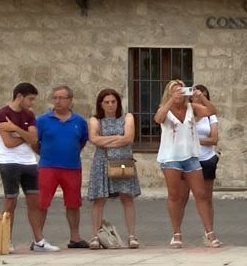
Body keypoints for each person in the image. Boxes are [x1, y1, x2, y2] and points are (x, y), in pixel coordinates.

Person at [154, 80, 218, 249]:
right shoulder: (165, 109)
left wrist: (200, 98)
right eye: (175, 91)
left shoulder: (191, 107)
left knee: (201, 194)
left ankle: (209, 233)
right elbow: (158, 118)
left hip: (191, 156)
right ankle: (176, 233)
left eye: (181, 91)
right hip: (171, 157)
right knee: (174, 196)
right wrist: (170, 100)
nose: (179, 94)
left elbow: (212, 111)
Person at [32, 86, 91, 251]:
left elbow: (82, 142)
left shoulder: (79, 122)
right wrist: (43, 153)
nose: (57, 101)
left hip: (72, 167)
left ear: (70, 100)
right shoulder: (42, 121)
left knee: (73, 203)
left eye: (61, 98)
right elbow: (34, 142)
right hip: (48, 167)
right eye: (55, 97)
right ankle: (38, 238)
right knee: (42, 202)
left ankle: (75, 237)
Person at [85, 88, 141, 249]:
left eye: (113, 102)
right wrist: (118, 138)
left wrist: (107, 140)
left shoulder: (127, 117)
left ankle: (131, 236)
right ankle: (95, 236)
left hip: (123, 160)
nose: (110, 105)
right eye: (106, 102)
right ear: (101, 104)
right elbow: (94, 139)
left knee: (126, 197)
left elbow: (129, 138)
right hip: (102, 161)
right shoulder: (95, 120)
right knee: (99, 198)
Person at [0, 82, 39, 252]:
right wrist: (25, 135)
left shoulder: (29, 115)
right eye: (30, 99)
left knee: (34, 202)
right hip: (9, 162)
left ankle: (39, 240)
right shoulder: (1, 115)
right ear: (19, 96)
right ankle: (7, 239)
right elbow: (9, 143)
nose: (32, 103)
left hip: (29, 162)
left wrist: (15, 129)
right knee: (10, 202)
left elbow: (34, 140)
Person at [192, 85, 222, 188]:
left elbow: (214, 139)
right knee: (182, 195)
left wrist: (193, 140)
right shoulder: (185, 114)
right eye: (197, 96)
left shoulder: (210, 116)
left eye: (204, 96)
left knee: (205, 195)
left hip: (206, 158)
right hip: (188, 159)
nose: (200, 99)